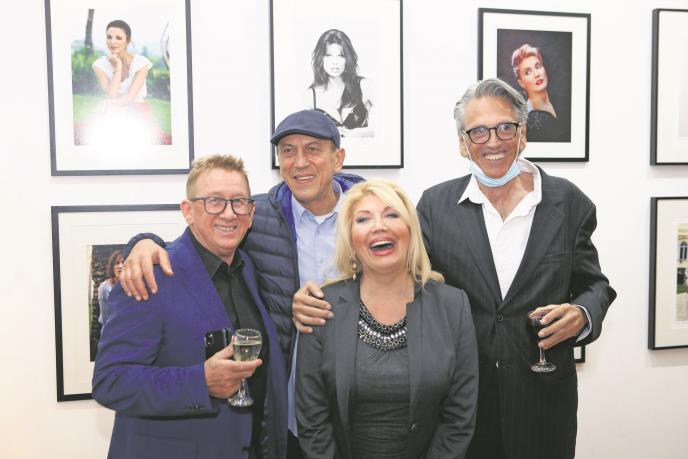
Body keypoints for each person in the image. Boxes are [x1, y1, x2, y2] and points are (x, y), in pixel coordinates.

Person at [293, 78, 616, 459]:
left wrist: (582, 314)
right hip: (461, 409)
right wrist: (317, 296)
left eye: (505, 127)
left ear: (523, 134)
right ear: (463, 143)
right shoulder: (436, 206)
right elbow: (398, 274)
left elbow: (595, 285)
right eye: (478, 131)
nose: (493, 141)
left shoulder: (568, 202)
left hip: (542, 406)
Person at [117, 109, 365, 458]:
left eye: (313, 149)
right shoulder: (257, 215)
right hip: (287, 412)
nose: (299, 162)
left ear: (338, 158)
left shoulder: (370, 215)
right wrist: (142, 243)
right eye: (288, 151)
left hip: (363, 398)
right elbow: (195, 243)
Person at [92, 154, 288, 458]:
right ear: (188, 211)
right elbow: (110, 382)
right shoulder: (151, 275)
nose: (229, 213)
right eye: (214, 201)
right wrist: (200, 382)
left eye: (239, 202)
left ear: (251, 213)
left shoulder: (247, 267)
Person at [296, 178, 478, 459]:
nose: (379, 226)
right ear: (350, 240)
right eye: (363, 219)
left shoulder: (454, 306)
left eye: (392, 215)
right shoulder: (321, 306)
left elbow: (459, 416)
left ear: (410, 231)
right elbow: (312, 419)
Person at [76, 19, 170, 145]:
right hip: (111, 111)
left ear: (128, 41)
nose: (112, 42)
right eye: (109, 37)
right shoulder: (99, 65)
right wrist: (118, 67)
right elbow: (112, 94)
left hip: (136, 110)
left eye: (118, 38)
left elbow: (130, 96)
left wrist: (108, 104)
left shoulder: (141, 63)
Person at [307, 29, 373, 138]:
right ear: (321, 58)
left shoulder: (364, 86)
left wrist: (357, 133)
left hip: (361, 148)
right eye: (328, 55)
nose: (335, 62)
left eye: (341, 55)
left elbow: (390, 125)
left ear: (348, 59)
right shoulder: (309, 96)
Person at [510, 44, 567, 142]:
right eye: (528, 72)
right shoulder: (531, 119)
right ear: (521, 83)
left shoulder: (561, 101)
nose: (537, 74)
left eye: (538, 66)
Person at [97, 249, 123, 327]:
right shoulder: (104, 288)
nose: (120, 266)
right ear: (112, 267)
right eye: (117, 263)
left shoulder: (131, 286)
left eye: (123, 262)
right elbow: (105, 319)